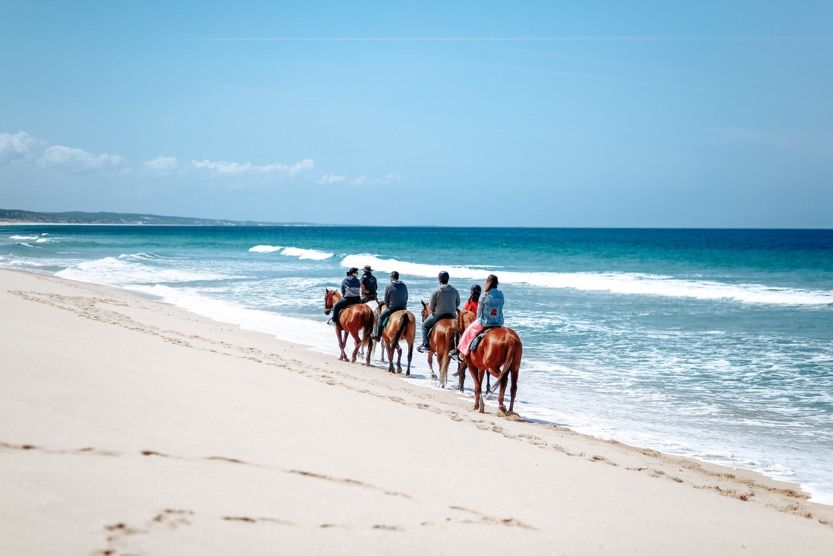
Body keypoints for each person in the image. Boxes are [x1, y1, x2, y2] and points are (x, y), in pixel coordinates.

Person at [456, 274, 503, 359]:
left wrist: (477, 320)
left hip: (486, 323)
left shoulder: (485, 295)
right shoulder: (501, 295)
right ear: (497, 283)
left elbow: (479, 311)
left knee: (468, 331)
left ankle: (462, 354)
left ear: (488, 283)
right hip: (498, 322)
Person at [417, 271, 460, 353]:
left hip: (438, 315)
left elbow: (431, 306)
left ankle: (426, 345)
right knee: (460, 330)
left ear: (439, 279)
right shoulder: (455, 290)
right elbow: (457, 304)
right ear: (448, 279)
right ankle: (458, 349)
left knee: (424, 326)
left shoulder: (436, 291)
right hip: (452, 316)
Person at [373, 270, 408, 340]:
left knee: (382, 318)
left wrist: (388, 305)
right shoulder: (404, 285)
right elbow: (406, 297)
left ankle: (378, 335)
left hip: (392, 308)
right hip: (403, 307)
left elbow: (386, 300)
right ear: (398, 277)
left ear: (391, 277)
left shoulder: (389, 286)